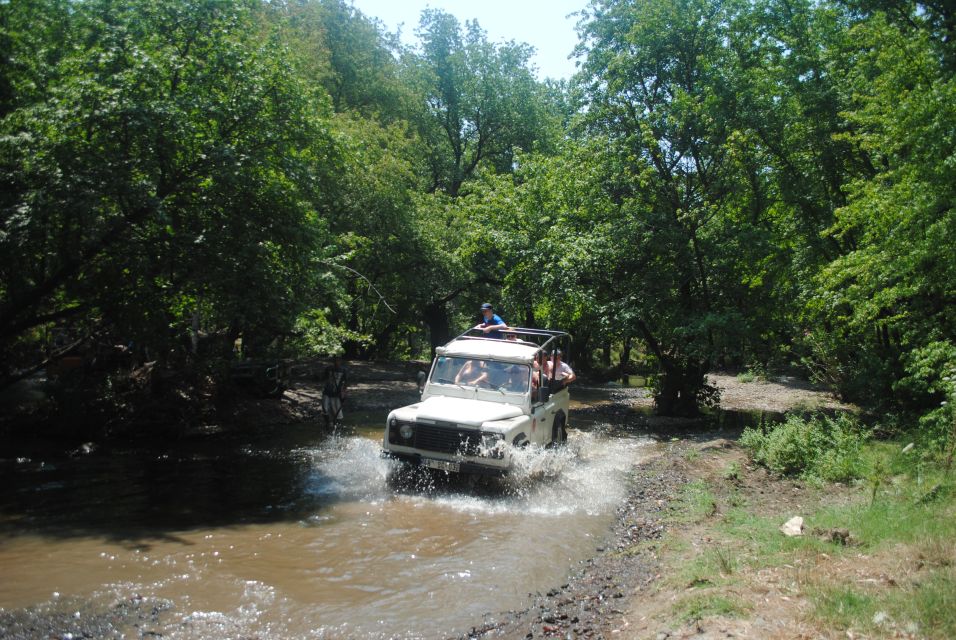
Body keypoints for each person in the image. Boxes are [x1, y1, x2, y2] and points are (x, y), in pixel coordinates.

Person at [321, 355, 348, 428]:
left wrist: (344, 393)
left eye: (338, 360)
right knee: (324, 408)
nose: (336, 362)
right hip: (327, 392)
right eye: (335, 360)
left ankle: (336, 426)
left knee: (337, 411)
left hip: (336, 393)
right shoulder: (328, 369)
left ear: (341, 361)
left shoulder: (343, 370)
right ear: (333, 361)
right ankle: (327, 423)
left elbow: (345, 383)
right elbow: (324, 379)